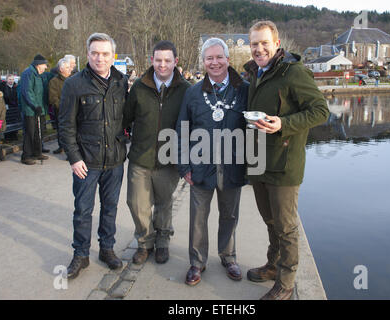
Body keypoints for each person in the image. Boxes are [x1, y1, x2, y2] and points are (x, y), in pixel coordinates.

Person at [243, 21, 329, 300]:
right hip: (258, 161)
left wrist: (284, 123)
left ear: (277, 43)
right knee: (269, 220)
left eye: (264, 43)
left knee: (286, 225)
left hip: (284, 164)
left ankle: (286, 282)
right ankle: (273, 265)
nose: (259, 49)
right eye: (254, 44)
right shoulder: (254, 73)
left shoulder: (294, 73)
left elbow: (320, 111)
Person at [176, 38, 248, 286]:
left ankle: (228, 257)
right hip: (200, 167)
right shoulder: (193, 93)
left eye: (219, 57)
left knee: (229, 215)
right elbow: (182, 130)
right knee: (198, 217)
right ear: (203, 62)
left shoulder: (245, 89)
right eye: (209, 58)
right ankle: (197, 263)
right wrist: (184, 166)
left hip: (233, 167)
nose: (214, 62)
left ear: (228, 59)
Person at [58, 33, 128, 279]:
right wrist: (74, 158)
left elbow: (126, 119)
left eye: (105, 53)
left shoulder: (122, 82)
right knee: (83, 210)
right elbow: (65, 125)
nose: (100, 58)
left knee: (110, 208)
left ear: (113, 56)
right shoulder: (74, 84)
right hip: (86, 162)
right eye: (95, 53)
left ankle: (107, 249)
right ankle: (81, 254)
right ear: (87, 54)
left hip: (115, 160)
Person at [123, 40, 190, 266]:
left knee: (163, 204)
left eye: (167, 60)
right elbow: (126, 118)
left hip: (169, 160)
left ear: (175, 62)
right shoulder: (139, 88)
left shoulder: (186, 90)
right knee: (136, 203)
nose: (162, 65)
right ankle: (144, 242)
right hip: (140, 158)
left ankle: (162, 241)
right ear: (152, 60)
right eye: (158, 60)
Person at [19, 54, 50, 165]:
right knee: (30, 132)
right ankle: (26, 156)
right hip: (30, 110)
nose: (46, 67)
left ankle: (37, 152)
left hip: (39, 109)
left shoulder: (39, 74)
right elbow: (27, 91)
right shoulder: (28, 73)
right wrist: (34, 105)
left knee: (39, 131)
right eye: (44, 65)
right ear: (38, 65)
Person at [49, 58, 72, 154]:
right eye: (67, 68)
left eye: (69, 67)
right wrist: (63, 108)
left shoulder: (73, 80)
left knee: (72, 132)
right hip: (61, 111)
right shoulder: (54, 81)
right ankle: (62, 147)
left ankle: (70, 151)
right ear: (61, 69)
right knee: (62, 131)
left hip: (73, 109)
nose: (70, 69)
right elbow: (53, 98)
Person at [0, 75, 20, 141]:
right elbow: (3, 97)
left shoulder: (15, 87)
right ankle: (8, 136)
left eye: (12, 79)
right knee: (8, 121)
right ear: (6, 80)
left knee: (14, 120)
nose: (11, 81)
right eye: (9, 79)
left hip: (14, 107)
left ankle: (14, 135)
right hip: (7, 107)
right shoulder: (3, 87)